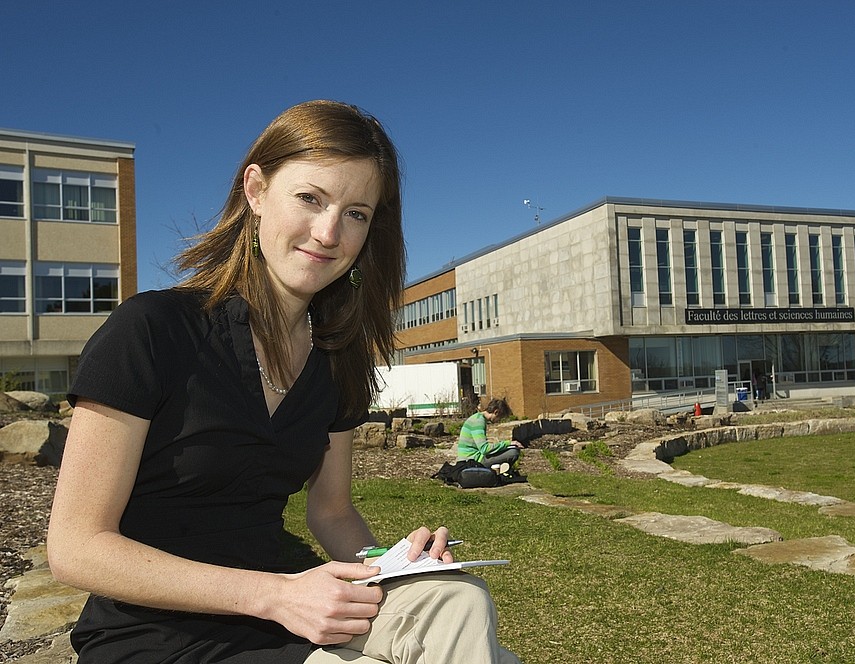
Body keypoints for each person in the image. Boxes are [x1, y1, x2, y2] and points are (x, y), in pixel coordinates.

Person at [47, 100, 520, 664]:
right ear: (256, 190)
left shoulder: (337, 359)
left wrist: (395, 563)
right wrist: (275, 595)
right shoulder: (151, 330)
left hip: (289, 600)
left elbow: (333, 513)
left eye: (356, 213)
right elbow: (75, 548)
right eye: (310, 198)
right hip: (161, 633)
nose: (328, 232)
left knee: (455, 598)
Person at [456, 398, 523, 471]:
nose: (499, 421)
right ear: (496, 412)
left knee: (510, 449)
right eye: (500, 418)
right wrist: (508, 443)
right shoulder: (478, 422)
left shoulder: (477, 418)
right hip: (472, 460)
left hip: (473, 457)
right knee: (513, 452)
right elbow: (484, 449)